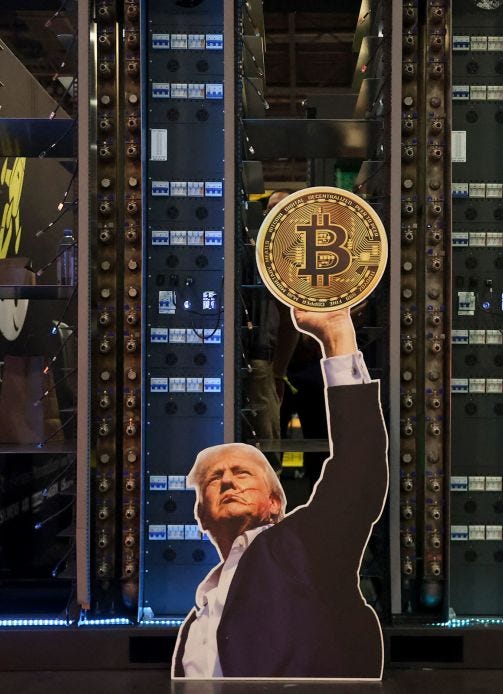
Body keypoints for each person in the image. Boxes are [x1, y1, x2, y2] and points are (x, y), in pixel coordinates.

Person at [172, 307, 388, 679]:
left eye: (242, 473)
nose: (226, 481)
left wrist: (337, 333)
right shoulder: (197, 615)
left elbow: (359, 472)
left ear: (276, 503)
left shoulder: (300, 548)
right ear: (201, 515)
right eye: (214, 479)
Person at [241, 189, 299, 456]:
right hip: (254, 358)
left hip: (260, 360)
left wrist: (277, 371)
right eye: (270, 208)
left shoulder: (285, 257)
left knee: (263, 444)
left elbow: (289, 320)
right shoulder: (253, 250)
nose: (273, 214)